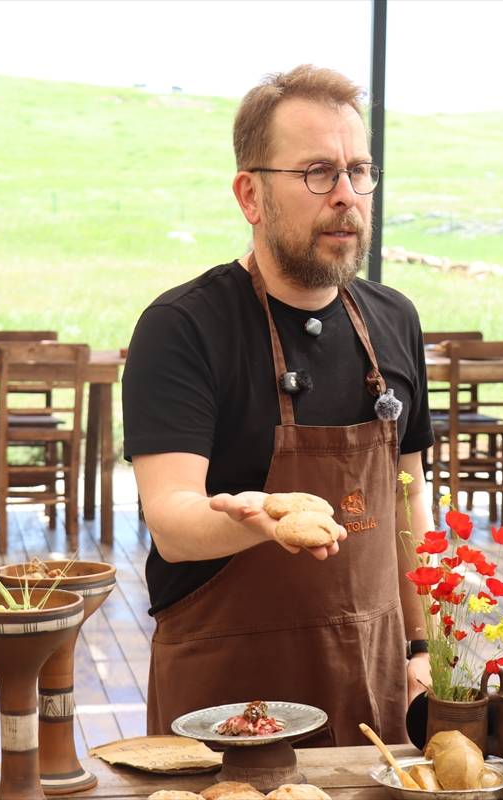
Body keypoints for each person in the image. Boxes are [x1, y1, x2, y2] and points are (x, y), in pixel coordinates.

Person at [123, 65, 436, 746]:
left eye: (360, 171)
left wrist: (423, 649)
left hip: (372, 685)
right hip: (226, 704)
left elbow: (410, 498)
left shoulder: (395, 320)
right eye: (319, 173)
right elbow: (173, 519)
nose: (347, 196)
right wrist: (263, 520)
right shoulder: (183, 327)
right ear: (250, 195)